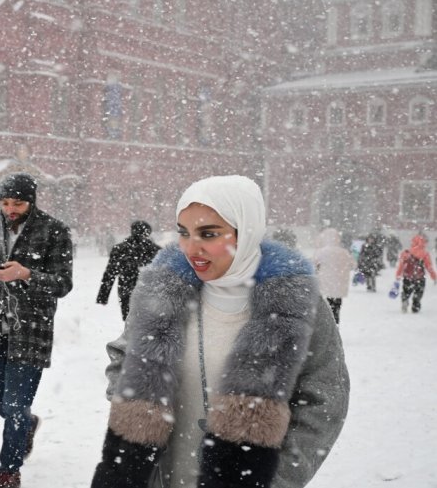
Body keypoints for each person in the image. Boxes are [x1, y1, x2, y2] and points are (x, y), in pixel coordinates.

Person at [90, 175, 349, 488]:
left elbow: (325, 400)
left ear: (246, 230)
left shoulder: (297, 304)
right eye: (184, 232)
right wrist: (139, 410)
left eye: (208, 233)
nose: (191, 247)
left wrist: (277, 477)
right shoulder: (163, 292)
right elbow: (123, 357)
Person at [0, 172, 73, 488]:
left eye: (18, 203)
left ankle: (8, 471)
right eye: (5, 202)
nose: (10, 208)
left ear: (31, 202)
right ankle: (27, 425)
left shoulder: (54, 231)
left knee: (16, 405)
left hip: (31, 330)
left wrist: (27, 275)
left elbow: (63, 284)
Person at [96, 220, 161, 320]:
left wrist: (103, 297)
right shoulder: (156, 250)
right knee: (149, 325)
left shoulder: (120, 249)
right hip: (150, 293)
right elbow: (164, 275)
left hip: (127, 292)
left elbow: (109, 274)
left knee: (129, 322)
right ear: (148, 233)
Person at [312, 228, 357, 324]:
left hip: (326, 286)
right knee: (337, 307)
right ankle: (336, 326)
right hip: (340, 286)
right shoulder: (344, 252)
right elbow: (353, 265)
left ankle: (329, 329)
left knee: (326, 309)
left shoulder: (321, 252)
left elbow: (313, 265)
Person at [395, 234, 437, 313]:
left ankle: (405, 300)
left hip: (407, 276)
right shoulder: (424, 253)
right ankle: (415, 306)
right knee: (418, 292)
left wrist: (398, 275)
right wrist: (434, 277)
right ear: (423, 243)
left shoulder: (406, 252)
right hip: (419, 277)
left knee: (406, 291)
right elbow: (429, 267)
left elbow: (401, 265)